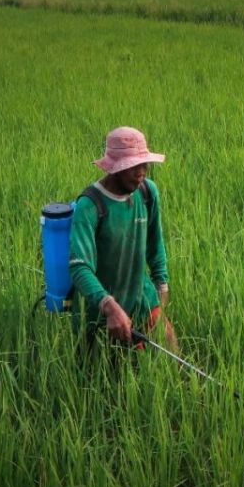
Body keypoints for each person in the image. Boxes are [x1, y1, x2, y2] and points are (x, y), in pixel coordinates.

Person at [69, 126, 178, 353]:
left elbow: (155, 245)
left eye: (144, 164)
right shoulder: (90, 206)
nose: (142, 172)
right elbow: (80, 267)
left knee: (171, 353)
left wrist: (162, 285)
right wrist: (109, 306)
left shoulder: (147, 192)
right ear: (114, 168)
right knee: (108, 377)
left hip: (141, 297)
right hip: (100, 310)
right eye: (133, 166)